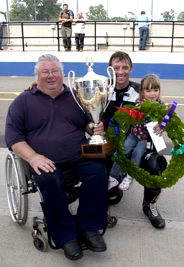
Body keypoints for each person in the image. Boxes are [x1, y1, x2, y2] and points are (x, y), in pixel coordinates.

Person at [5, 54, 108, 261]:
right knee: (49, 180)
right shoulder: (23, 101)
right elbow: (13, 137)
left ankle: (89, 227)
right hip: (44, 160)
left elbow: (87, 123)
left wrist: (94, 127)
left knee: (98, 171)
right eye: (45, 72)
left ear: (62, 74)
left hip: (77, 155)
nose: (50, 76)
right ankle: (66, 236)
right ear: (37, 75)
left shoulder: (76, 97)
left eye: (55, 71)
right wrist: (33, 157)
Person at [103, 51, 165, 229]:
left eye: (124, 67)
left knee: (155, 167)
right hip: (109, 146)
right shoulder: (100, 89)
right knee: (112, 198)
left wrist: (160, 125)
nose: (120, 71)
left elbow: (158, 101)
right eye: (116, 68)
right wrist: (37, 83)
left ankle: (150, 206)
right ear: (110, 70)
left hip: (138, 142)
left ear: (131, 69)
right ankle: (108, 190)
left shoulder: (141, 91)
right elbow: (71, 91)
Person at [108, 74, 164, 191]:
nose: (152, 94)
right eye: (148, 90)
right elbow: (133, 115)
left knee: (137, 153)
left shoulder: (161, 106)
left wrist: (162, 125)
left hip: (145, 138)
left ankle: (129, 177)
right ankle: (112, 177)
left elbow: (166, 120)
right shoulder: (139, 102)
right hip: (134, 134)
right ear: (142, 91)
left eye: (155, 90)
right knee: (122, 151)